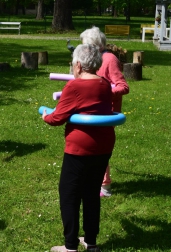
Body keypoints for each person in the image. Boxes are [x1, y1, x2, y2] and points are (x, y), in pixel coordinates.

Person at [42, 44, 115, 252]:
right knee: (91, 193)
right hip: (103, 145)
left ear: (79, 65)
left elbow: (57, 118)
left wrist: (45, 115)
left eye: (73, 63)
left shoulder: (74, 86)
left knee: (69, 194)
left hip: (80, 149)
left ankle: (70, 246)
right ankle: (91, 243)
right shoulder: (105, 84)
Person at [80, 26, 129, 197]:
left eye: (85, 45)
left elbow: (123, 87)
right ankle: (93, 180)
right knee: (89, 145)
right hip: (91, 109)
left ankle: (105, 186)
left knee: (99, 148)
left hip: (106, 112)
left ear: (94, 45)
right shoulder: (92, 60)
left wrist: (103, 93)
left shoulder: (109, 59)